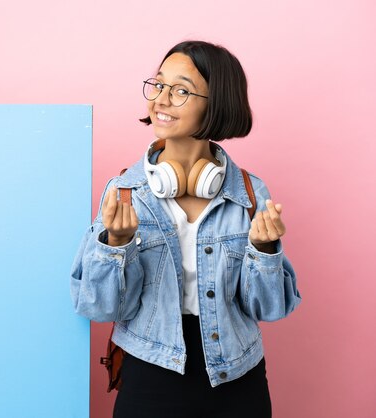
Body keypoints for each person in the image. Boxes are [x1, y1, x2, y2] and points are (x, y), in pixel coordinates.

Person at [70, 40, 302, 418]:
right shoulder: (126, 192)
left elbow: (270, 309)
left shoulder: (249, 193)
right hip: (150, 374)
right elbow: (99, 307)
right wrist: (117, 244)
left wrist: (265, 250)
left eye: (180, 90)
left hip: (237, 376)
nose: (161, 99)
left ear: (216, 103)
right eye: (158, 85)